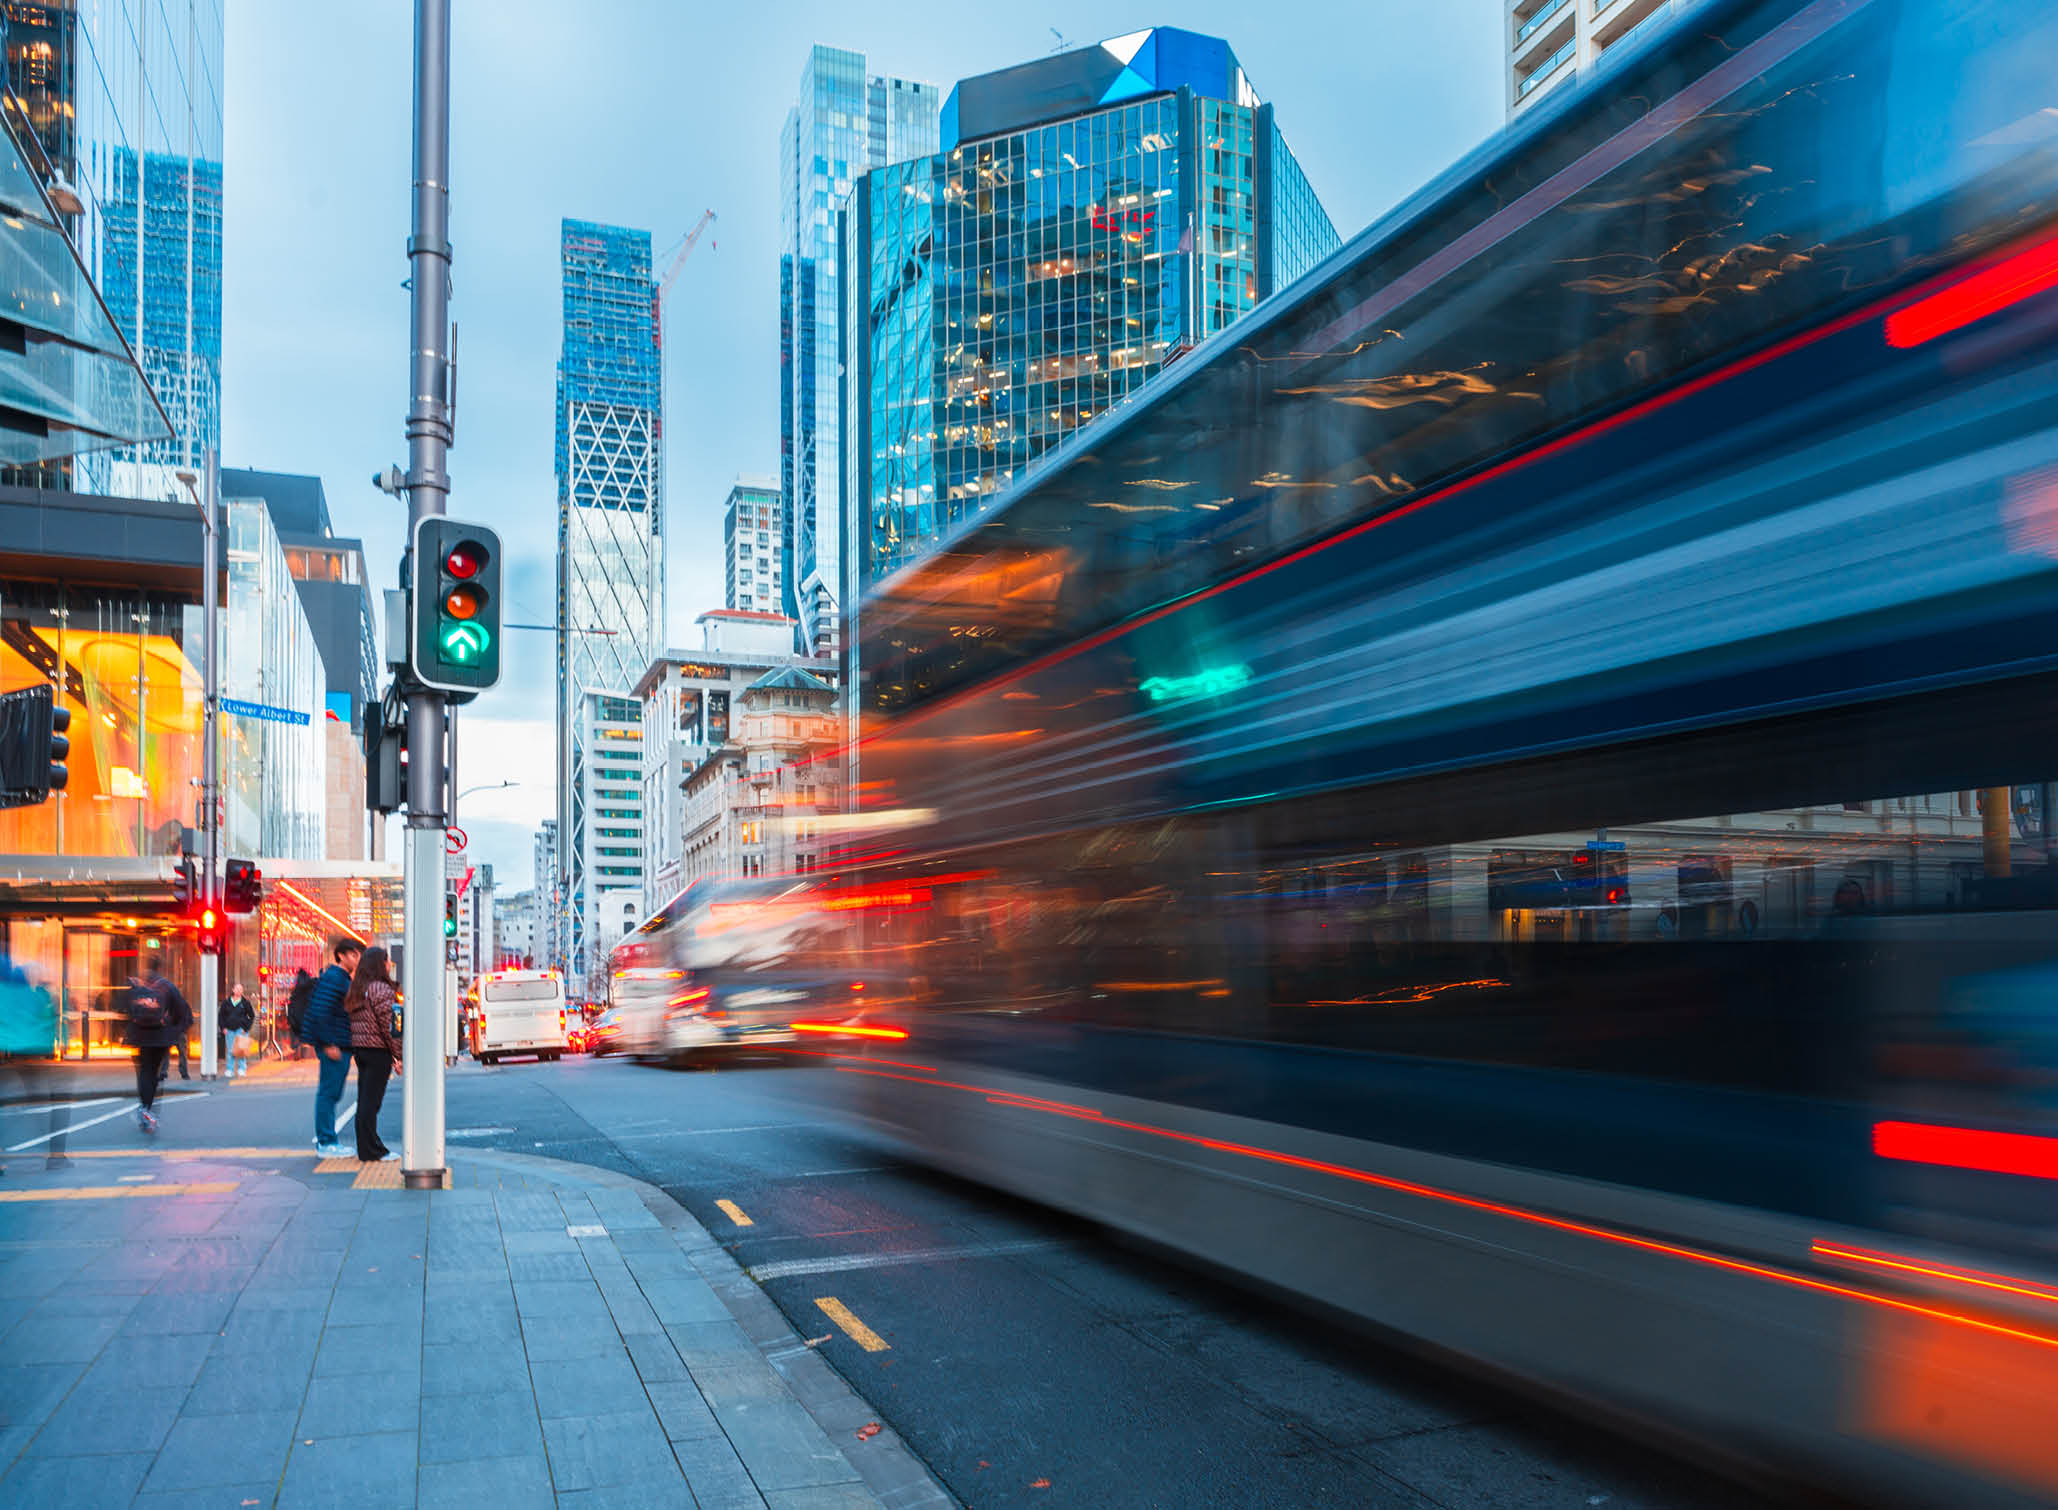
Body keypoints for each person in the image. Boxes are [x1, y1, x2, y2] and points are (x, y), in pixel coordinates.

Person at [304, 937, 363, 1156]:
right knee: (329, 1093)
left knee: (331, 1093)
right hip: (334, 1044)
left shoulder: (340, 978)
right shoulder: (334, 978)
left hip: (338, 1043)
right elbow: (321, 1011)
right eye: (354, 955)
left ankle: (327, 1140)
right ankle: (326, 1142)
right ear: (342, 955)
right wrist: (328, 1043)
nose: (358, 959)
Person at [344, 946, 403, 1162]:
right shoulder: (381, 990)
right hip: (378, 1051)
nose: (389, 965)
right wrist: (399, 1056)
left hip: (361, 1051)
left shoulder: (358, 988)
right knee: (371, 1103)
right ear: (380, 964)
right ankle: (372, 1151)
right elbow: (391, 1028)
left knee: (365, 1101)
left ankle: (367, 1147)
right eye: (386, 961)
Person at [127, 965, 192, 1134]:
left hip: (139, 1038)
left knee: (143, 1072)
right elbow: (182, 1011)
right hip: (160, 1038)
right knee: (155, 1073)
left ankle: (144, 1107)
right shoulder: (167, 987)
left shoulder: (137, 989)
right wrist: (175, 1030)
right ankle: (148, 1109)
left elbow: (124, 1010)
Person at [219, 982, 256, 1078]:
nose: (239, 991)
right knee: (230, 1050)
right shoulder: (226, 1003)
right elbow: (221, 1016)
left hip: (241, 1030)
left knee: (241, 1050)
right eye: (237, 989)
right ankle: (229, 1070)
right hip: (229, 1030)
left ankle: (241, 1069)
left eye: (241, 989)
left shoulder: (245, 1003)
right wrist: (223, 1028)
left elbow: (251, 1016)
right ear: (233, 990)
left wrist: (246, 1028)